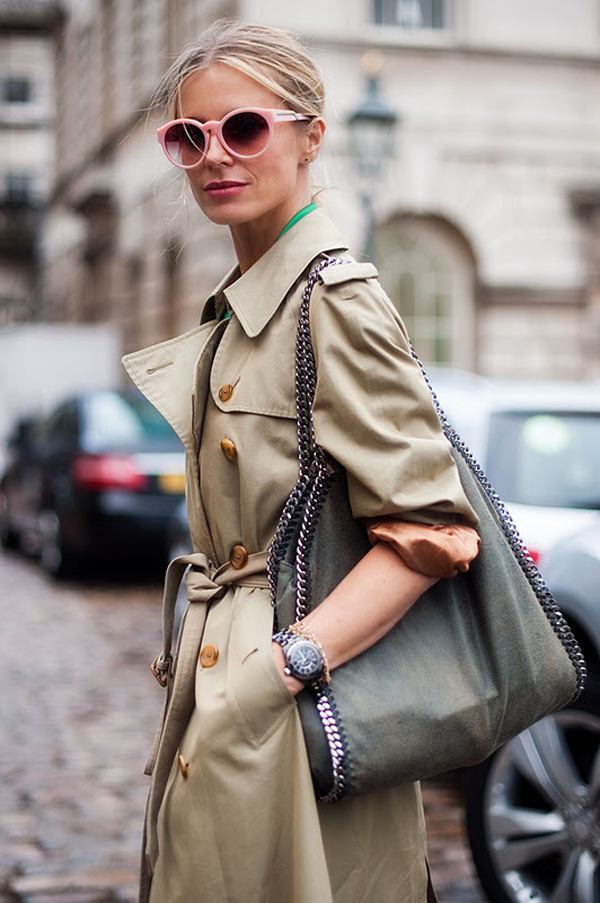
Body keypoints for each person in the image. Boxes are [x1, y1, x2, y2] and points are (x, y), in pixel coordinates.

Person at [123, 20, 480, 903]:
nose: (215, 156)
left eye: (243, 128)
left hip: (297, 717)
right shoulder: (241, 311)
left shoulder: (335, 302)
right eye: (188, 136)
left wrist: (281, 668)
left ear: (311, 135)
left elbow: (431, 529)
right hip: (227, 700)